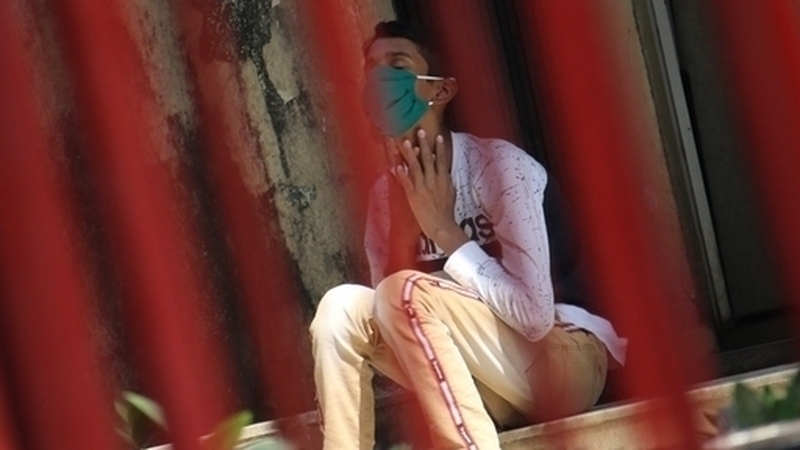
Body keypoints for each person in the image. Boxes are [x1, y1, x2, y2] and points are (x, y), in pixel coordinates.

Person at [309, 20, 627, 449]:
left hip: (564, 360)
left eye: (397, 64)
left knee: (403, 292)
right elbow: (393, 325)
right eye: (372, 68)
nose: (379, 80)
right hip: (482, 379)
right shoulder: (384, 196)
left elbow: (535, 317)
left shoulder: (500, 169)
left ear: (440, 90)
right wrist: (405, 235)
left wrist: (444, 231)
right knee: (340, 308)